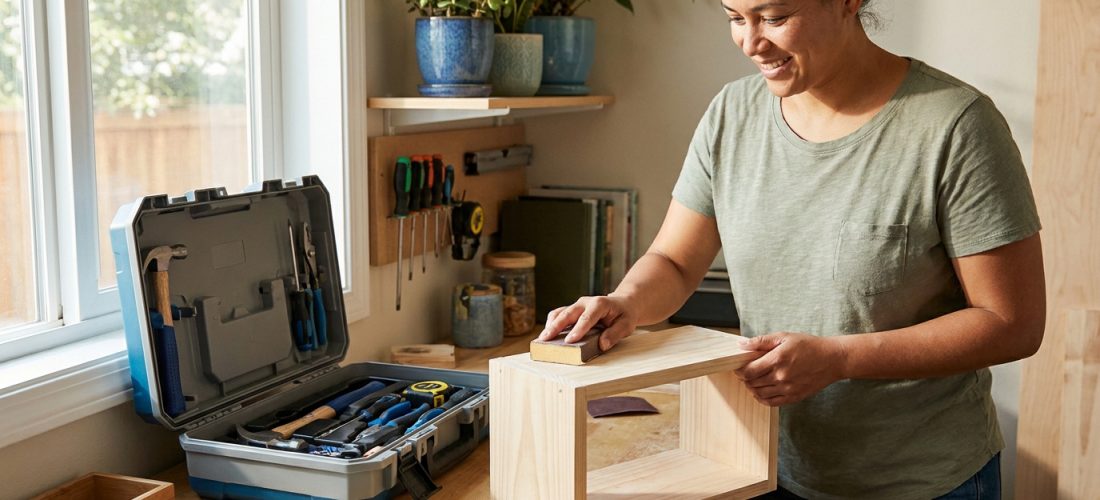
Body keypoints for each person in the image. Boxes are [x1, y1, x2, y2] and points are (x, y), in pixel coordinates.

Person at [537, 0, 1046, 498]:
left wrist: (840, 358)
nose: (752, 43)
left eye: (776, 18)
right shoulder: (730, 114)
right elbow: (673, 261)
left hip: (924, 480)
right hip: (770, 463)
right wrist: (625, 304)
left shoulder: (957, 126)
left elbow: (1011, 323)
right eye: (736, 19)